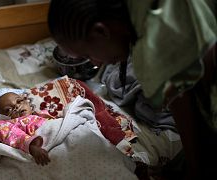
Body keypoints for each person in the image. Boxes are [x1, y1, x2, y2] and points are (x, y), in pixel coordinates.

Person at [48, 0, 216, 179]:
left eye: (88, 55)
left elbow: (188, 110)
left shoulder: (158, 36)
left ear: (101, 31)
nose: (96, 63)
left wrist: (191, 169)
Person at [0, 92, 54, 166]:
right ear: (2, 117)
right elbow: (14, 135)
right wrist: (31, 146)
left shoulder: (40, 115)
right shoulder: (6, 124)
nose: (17, 106)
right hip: (42, 144)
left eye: (19, 101)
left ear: (27, 102)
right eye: (9, 110)